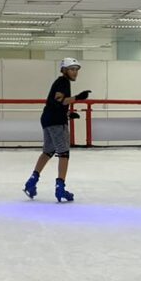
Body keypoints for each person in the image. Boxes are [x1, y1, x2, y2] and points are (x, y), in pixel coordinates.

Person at [24, 58, 90, 203]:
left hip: (48, 119)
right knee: (64, 153)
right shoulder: (63, 82)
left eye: (76, 69)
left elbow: (55, 104)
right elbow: (59, 100)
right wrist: (78, 98)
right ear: (64, 70)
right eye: (72, 69)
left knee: (48, 151)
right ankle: (60, 187)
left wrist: (67, 114)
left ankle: (32, 181)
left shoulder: (60, 82)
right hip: (56, 122)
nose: (75, 72)